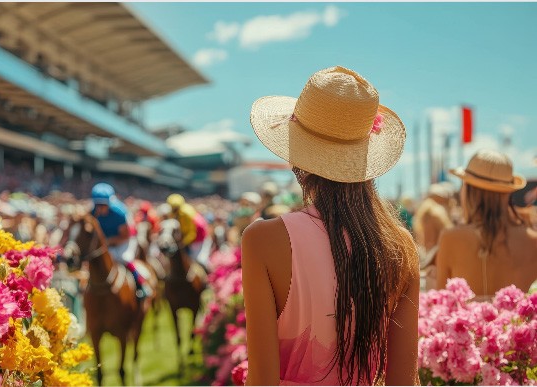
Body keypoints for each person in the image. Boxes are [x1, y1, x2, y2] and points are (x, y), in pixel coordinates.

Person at [242, 66, 419, 385]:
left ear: (296, 158)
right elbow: (405, 381)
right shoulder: (401, 246)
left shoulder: (262, 240)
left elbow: (261, 380)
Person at [436, 150, 537, 298]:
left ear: (469, 191)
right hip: (519, 322)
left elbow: (441, 303)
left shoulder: (450, 238)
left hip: (467, 322)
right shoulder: (532, 240)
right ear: (508, 193)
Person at [91, 183, 148, 299]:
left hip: (123, 241)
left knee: (124, 258)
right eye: (97, 204)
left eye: (103, 204)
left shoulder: (119, 213)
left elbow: (125, 236)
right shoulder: (92, 213)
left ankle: (140, 285)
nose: (100, 208)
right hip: (106, 243)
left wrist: (108, 241)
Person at [413, 183, 454, 290]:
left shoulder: (428, 213)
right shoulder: (434, 213)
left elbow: (429, 243)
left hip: (437, 261)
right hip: (441, 259)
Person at [166, 193, 210, 267]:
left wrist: (183, 243)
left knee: (198, 260)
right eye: (173, 208)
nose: (174, 211)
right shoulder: (172, 213)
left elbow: (192, 233)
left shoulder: (187, 214)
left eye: (176, 208)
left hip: (198, 239)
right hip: (185, 237)